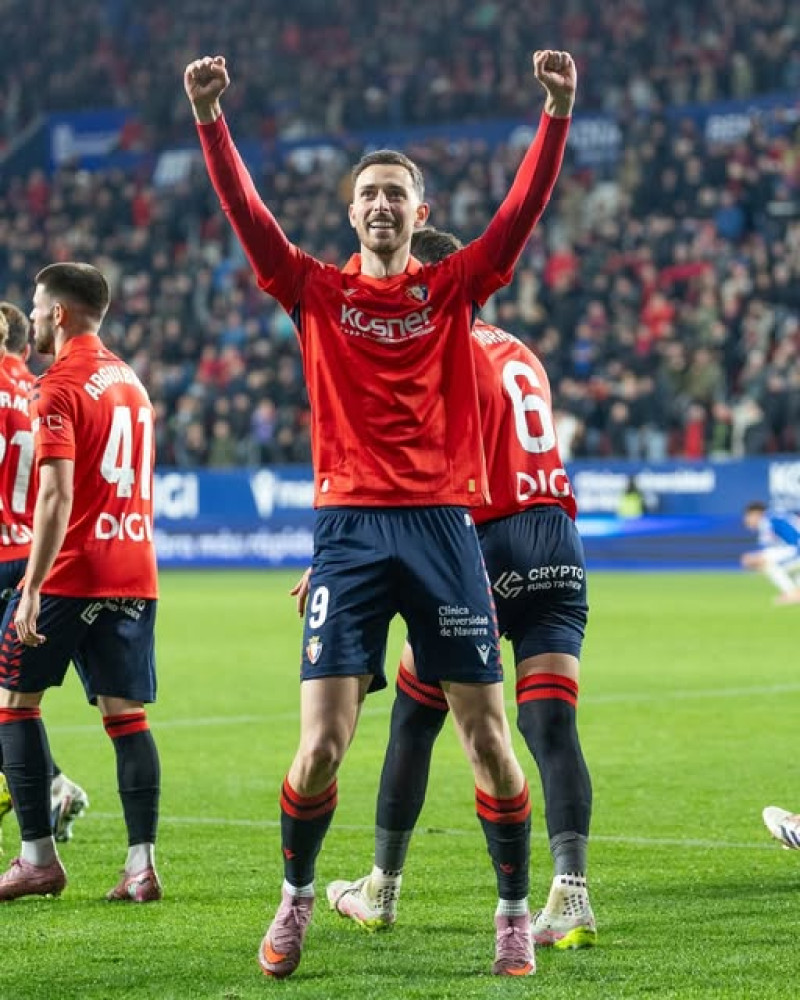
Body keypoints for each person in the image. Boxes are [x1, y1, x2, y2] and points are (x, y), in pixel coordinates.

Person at [186, 48, 575, 978]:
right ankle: (295, 901)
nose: (383, 205)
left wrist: (556, 113)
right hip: (350, 534)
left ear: (420, 213)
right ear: (352, 210)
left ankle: (514, 912)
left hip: (444, 530)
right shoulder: (315, 290)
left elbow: (520, 213)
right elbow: (248, 216)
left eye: (398, 193)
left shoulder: (452, 290)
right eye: (370, 193)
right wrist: (210, 121)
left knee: (488, 736)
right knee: (322, 743)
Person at [305, 226, 594, 949]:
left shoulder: (441, 344)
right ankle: (573, 895)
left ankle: (381, 887)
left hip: (482, 539)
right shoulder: (519, 350)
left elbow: (439, 462)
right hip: (556, 535)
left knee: (413, 716)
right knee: (549, 725)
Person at [0, 263, 162, 903]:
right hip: (134, 569)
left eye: (38, 308)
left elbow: (56, 494)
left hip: (74, 570)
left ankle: (37, 858)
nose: (33, 318)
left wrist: (33, 586)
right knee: (126, 718)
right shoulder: (131, 381)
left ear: (59, 313)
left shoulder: (59, 384)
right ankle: (141, 866)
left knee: (15, 702)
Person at [0, 302, 89, 850]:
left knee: (12, 699)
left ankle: (43, 788)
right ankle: (51, 784)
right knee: (12, 696)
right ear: (25, 344)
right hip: (31, 555)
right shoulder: (39, 391)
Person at [741, 501, 800, 605]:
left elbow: (792, 544)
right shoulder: (776, 516)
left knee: (764, 562)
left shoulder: (766, 521)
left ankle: (793, 594)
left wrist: (754, 560)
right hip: (794, 550)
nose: (746, 520)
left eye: (748, 516)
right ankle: (794, 591)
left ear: (755, 513)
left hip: (796, 549)